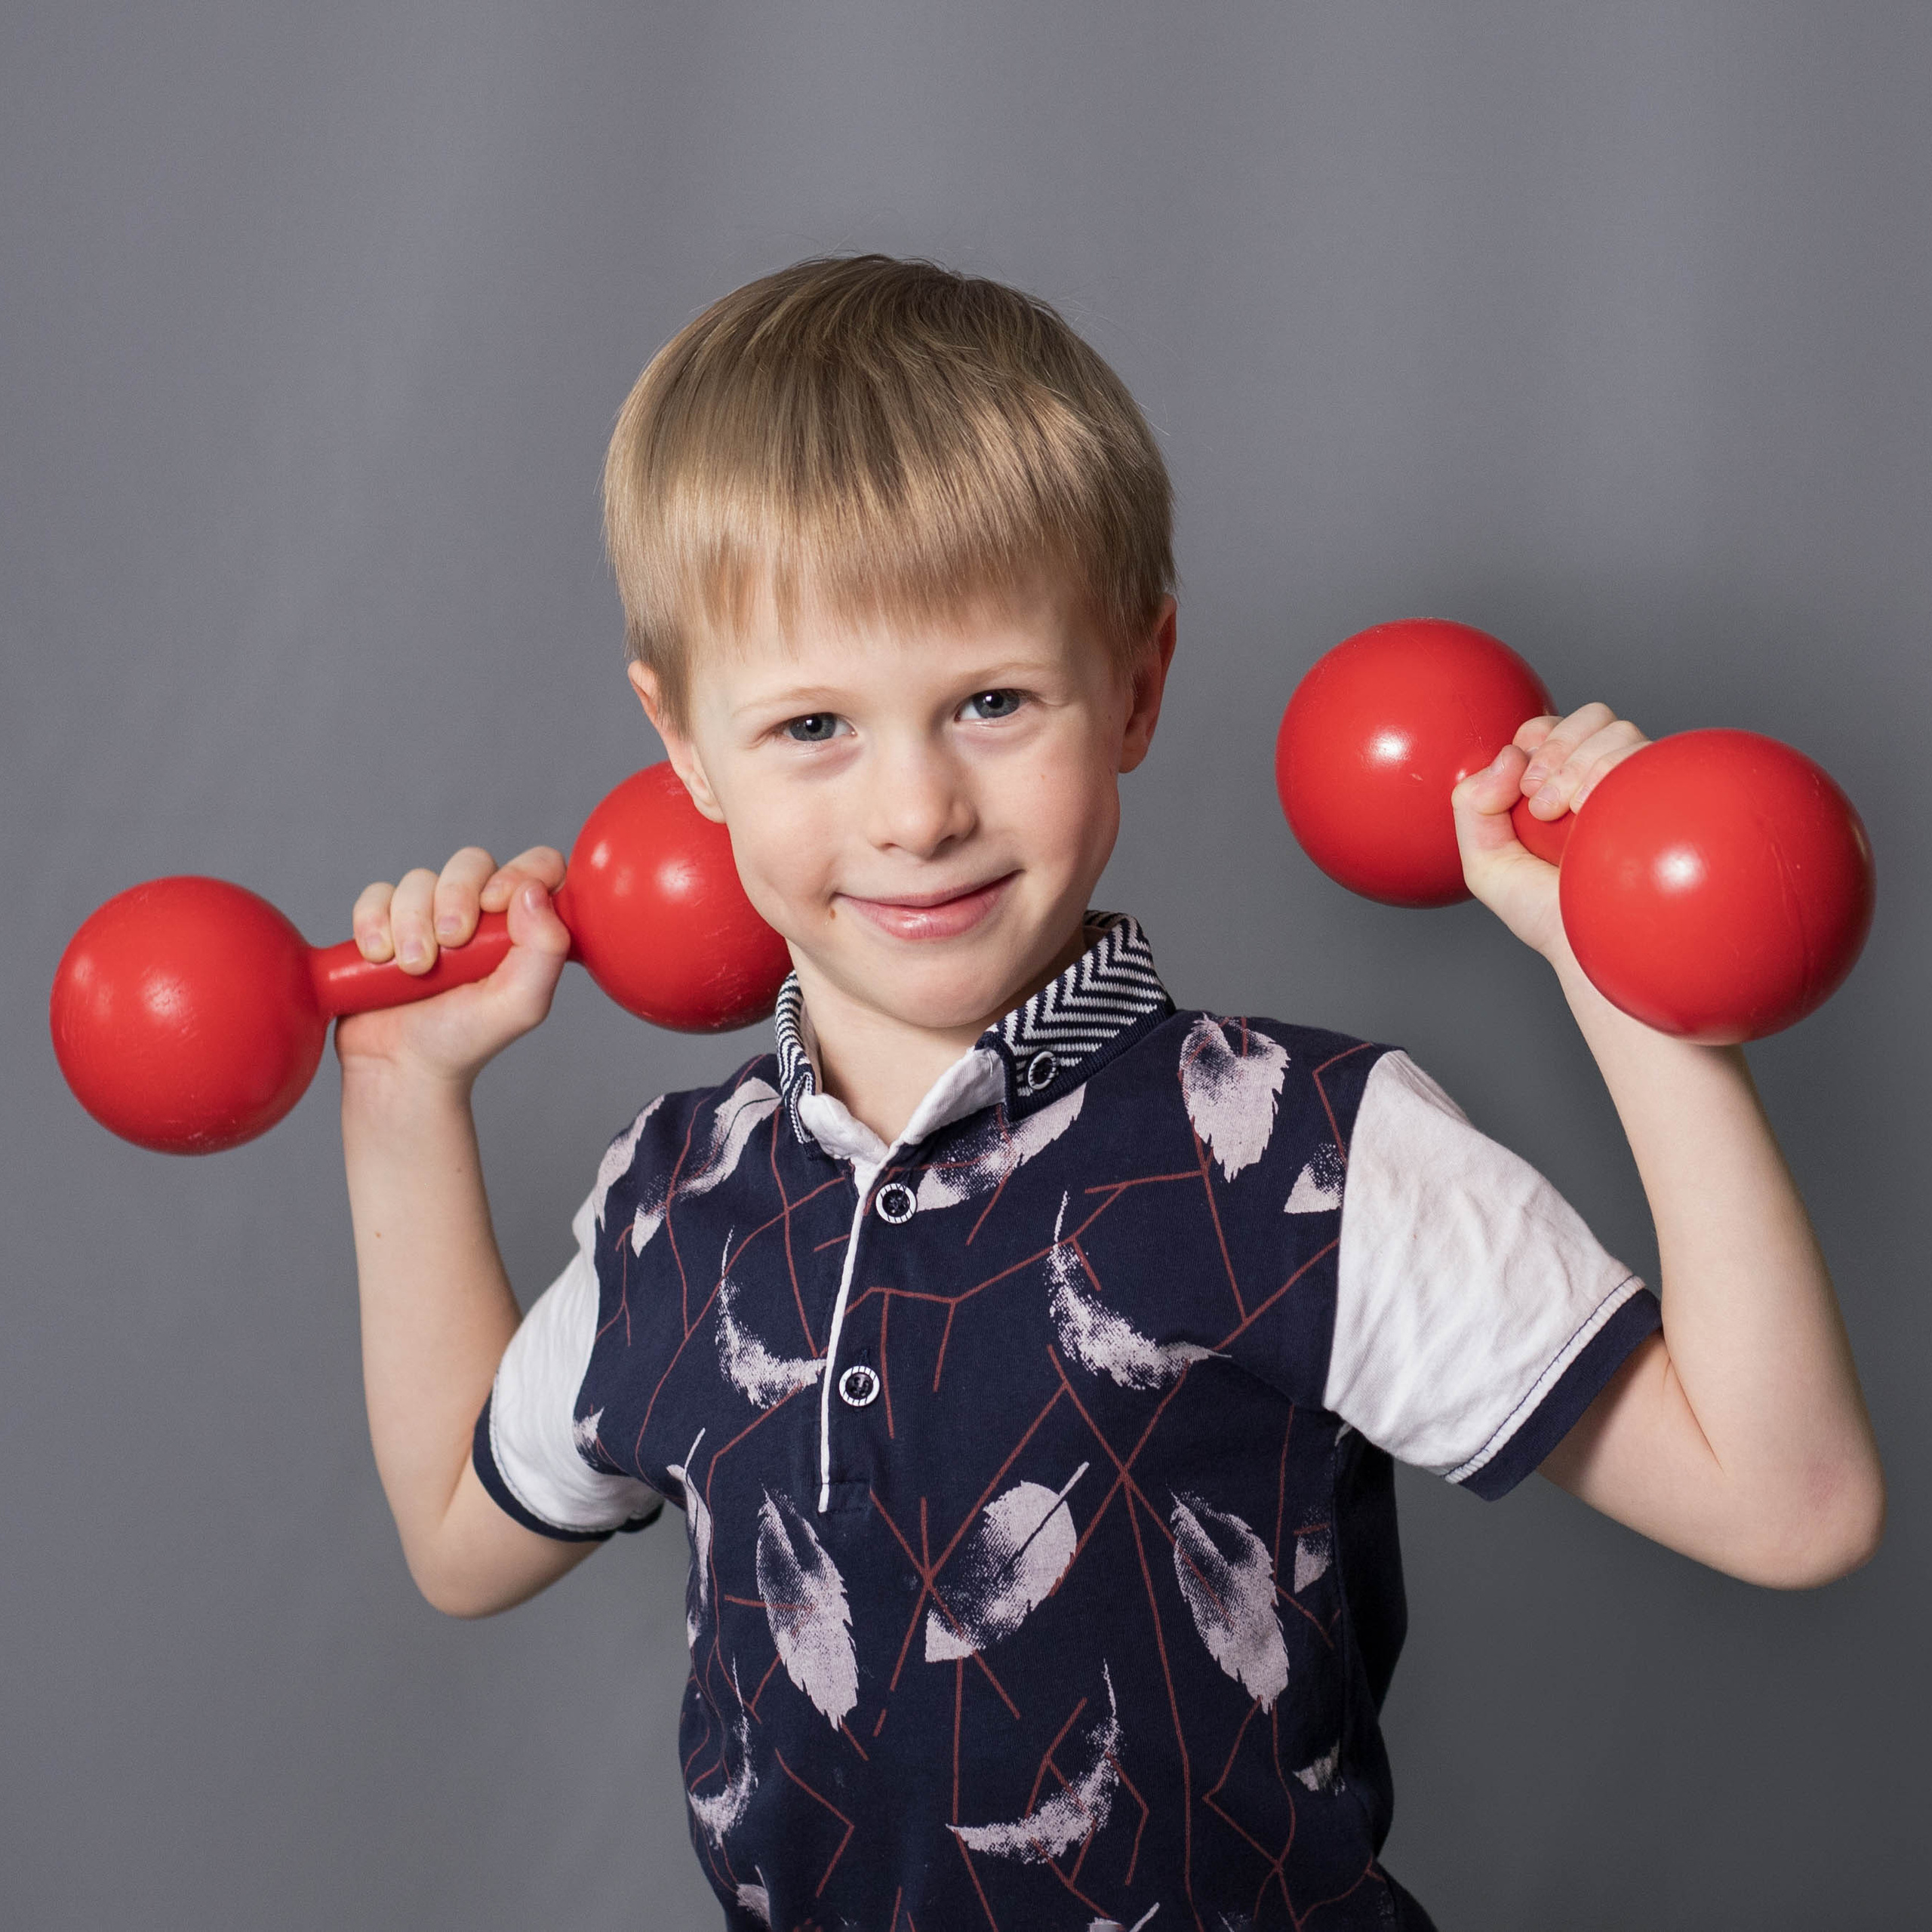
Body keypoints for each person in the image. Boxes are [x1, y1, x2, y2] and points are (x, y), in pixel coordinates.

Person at [336, 256, 1883, 1930]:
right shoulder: (674, 1201)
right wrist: (401, 1096)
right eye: (809, 726)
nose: (915, 807)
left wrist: (1626, 967)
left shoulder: (1297, 1151)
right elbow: (455, 1536)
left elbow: (1785, 1504)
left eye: (991, 701)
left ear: (1136, 684)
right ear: (684, 747)